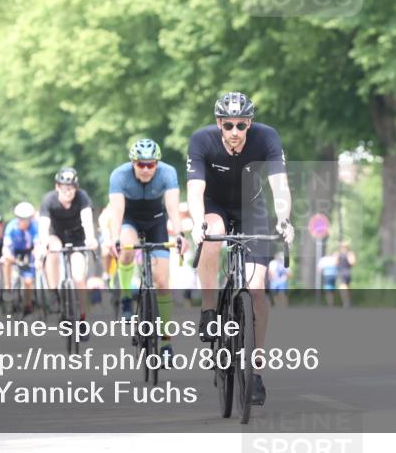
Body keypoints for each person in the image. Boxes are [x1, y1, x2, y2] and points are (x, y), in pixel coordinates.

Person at [187, 91, 294, 407]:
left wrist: (285, 220)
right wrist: (196, 223)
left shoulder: (267, 139)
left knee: (257, 288)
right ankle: (209, 309)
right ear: (219, 123)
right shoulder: (202, 141)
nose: (235, 132)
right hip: (213, 205)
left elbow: (280, 186)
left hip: (252, 207)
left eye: (242, 125)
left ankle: (256, 373)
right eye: (229, 125)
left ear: (250, 124)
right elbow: (195, 190)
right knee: (213, 234)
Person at [103, 138, 183, 361]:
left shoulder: (168, 173)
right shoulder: (119, 176)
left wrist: (180, 235)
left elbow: (173, 208)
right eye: (141, 164)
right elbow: (116, 212)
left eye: (151, 164)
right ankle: (127, 297)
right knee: (127, 249)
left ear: (157, 163)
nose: (146, 169)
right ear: (133, 163)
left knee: (162, 282)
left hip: (157, 221)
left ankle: (166, 343)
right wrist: (112, 238)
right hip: (130, 219)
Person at [35, 167, 97, 332]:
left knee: (78, 276)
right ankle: (54, 292)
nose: (68, 192)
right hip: (56, 235)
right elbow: (43, 227)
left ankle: (82, 318)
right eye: (64, 188)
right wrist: (43, 245)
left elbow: (87, 219)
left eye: (72, 188)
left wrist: (91, 238)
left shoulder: (82, 197)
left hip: (77, 237)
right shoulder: (48, 200)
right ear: (57, 187)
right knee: (52, 249)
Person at [3, 202, 39, 314]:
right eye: (22, 219)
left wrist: (37, 257)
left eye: (27, 219)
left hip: (29, 252)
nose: (24, 221)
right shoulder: (11, 227)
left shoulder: (34, 227)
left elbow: (37, 245)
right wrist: (9, 257)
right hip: (14, 252)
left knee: (28, 281)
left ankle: (28, 304)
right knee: (6, 260)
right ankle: (8, 288)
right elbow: (6, 247)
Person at [337, 240, 356, 307]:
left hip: (344, 272)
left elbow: (352, 262)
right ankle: (347, 302)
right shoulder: (341, 254)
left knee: (343, 287)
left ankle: (346, 303)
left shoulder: (347, 254)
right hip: (346, 272)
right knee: (346, 287)